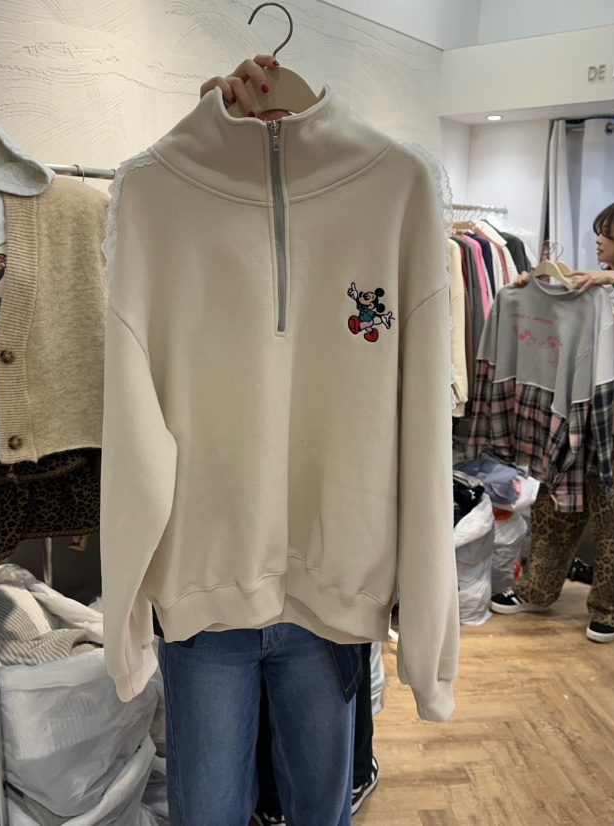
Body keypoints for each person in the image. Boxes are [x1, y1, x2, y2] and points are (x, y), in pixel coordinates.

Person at [199, 59, 382, 825]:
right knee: (212, 805)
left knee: (319, 801)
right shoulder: (173, 203)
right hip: (208, 582)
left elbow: (405, 415)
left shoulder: (382, 200)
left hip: (327, 578)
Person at [491, 198, 614, 643]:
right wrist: (528, 288)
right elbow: (552, 321)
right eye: (598, 232)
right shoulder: (587, 285)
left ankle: (611, 609)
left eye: (607, 233)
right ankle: (535, 589)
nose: (599, 241)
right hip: (574, 419)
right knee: (553, 510)